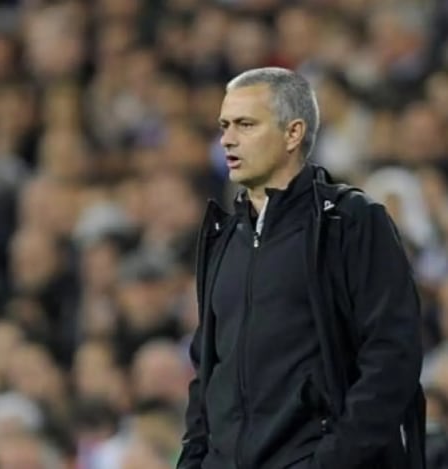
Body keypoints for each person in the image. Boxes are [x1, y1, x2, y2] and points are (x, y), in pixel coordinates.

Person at [179, 67, 425, 469]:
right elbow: (207, 372)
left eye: (245, 124)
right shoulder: (223, 237)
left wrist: (333, 460)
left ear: (293, 133)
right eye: (224, 125)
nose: (227, 139)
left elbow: (391, 355)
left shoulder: (350, 221)